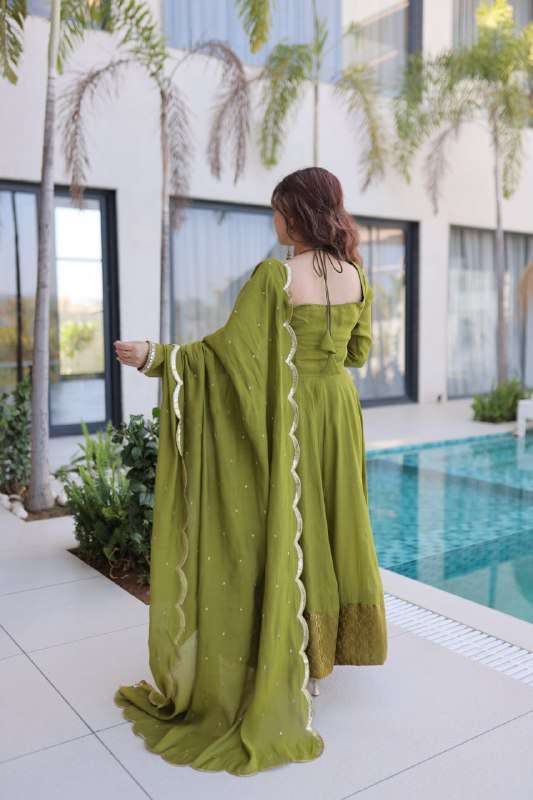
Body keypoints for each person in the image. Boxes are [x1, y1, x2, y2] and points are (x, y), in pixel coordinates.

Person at [112, 166, 387, 776]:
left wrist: (157, 357)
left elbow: (225, 354)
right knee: (335, 523)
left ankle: (291, 657)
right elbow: (357, 353)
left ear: (297, 213)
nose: (275, 220)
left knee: (292, 524)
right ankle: (320, 658)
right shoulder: (356, 275)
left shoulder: (275, 276)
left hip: (293, 415)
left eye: (279, 209)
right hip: (339, 411)